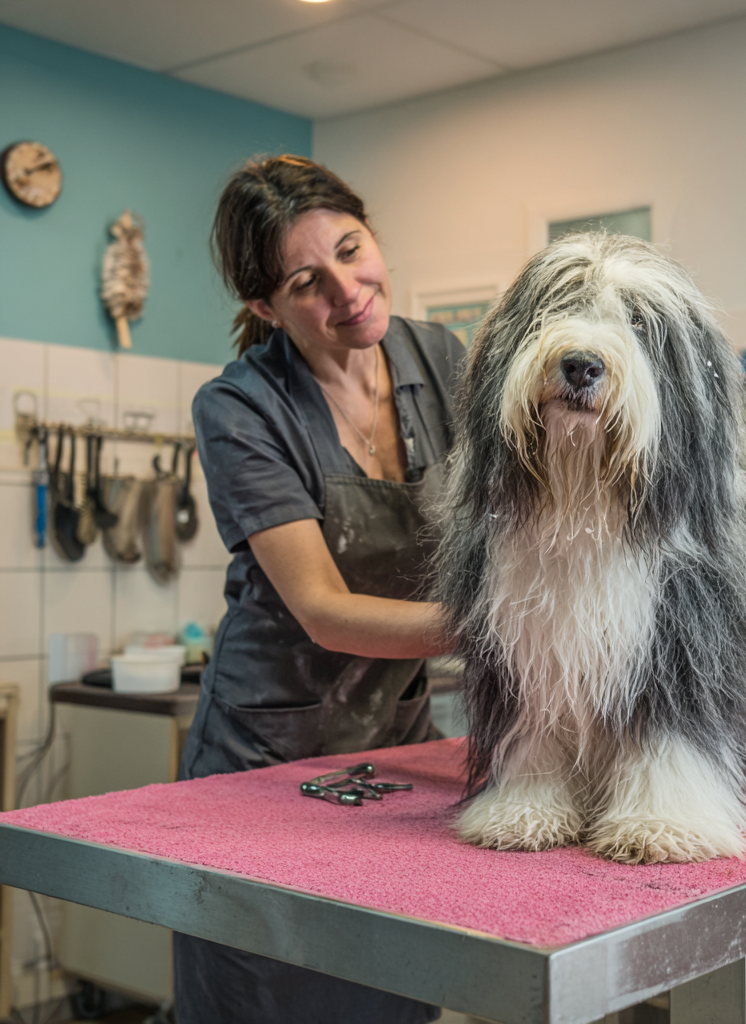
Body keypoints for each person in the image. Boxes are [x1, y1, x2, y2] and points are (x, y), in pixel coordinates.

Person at [174, 155, 464, 1024]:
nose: (349, 291)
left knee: (397, 980)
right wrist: (501, 626)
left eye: (352, 248)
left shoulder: (440, 357)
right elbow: (323, 610)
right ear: (264, 306)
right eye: (308, 280)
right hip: (268, 759)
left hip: (397, 748)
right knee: (271, 990)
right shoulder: (240, 407)